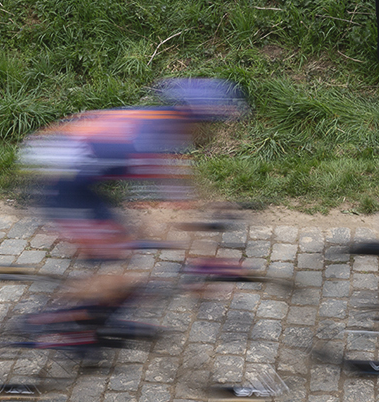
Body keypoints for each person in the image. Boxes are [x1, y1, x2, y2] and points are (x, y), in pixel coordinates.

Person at [15, 78, 249, 313]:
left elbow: (179, 188)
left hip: (68, 172)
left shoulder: (158, 121)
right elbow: (170, 213)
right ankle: (65, 320)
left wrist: (206, 214)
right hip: (58, 185)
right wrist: (202, 260)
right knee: (116, 254)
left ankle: (93, 311)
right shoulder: (148, 143)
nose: (205, 131)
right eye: (206, 124)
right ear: (192, 118)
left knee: (125, 242)